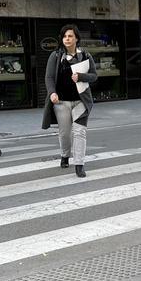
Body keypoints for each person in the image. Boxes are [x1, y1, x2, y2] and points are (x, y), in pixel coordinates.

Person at [42, 24, 98, 177]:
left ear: (76, 38)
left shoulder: (85, 55)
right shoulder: (55, 56)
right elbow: (49, 77)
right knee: (65, 133)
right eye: (65, 36)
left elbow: (94, 75)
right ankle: (65, 154)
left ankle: (79, 164)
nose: (67, 39)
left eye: (70, 36)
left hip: (81, 101)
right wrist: (52, 93)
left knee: (80, 132)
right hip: (61, 102)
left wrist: (81, 77)